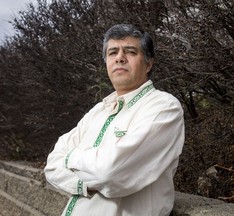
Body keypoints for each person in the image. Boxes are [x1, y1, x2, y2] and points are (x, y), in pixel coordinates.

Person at [44, 24, 185, 216]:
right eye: (112, 52)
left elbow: (111, 173)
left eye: (130, 51)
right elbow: (52, 165)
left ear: (149, 63)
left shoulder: (164, 107)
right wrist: (85, 183)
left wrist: (70, 157)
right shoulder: (98, 111)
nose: (120, 58)